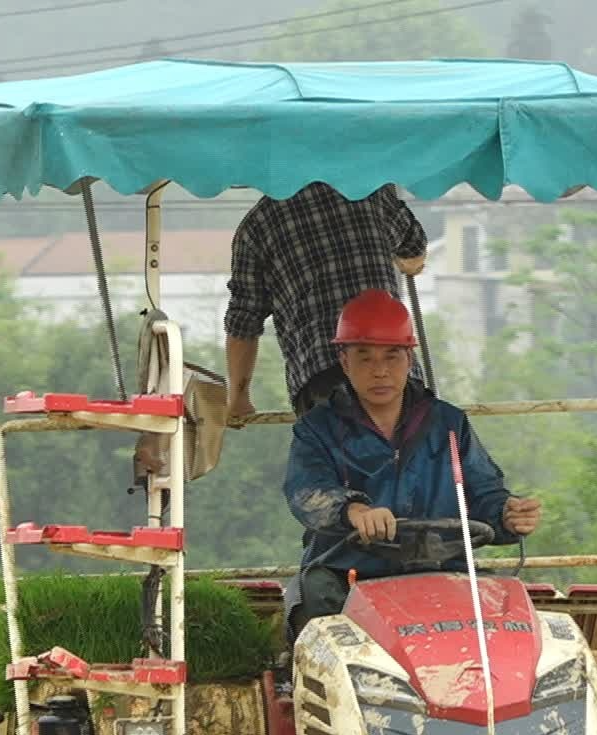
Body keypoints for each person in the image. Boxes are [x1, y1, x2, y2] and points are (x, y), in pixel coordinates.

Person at [282, 289, 541, 634]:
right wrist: (354, 511)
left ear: (409, 360)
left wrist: (507, 514)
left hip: (443, 568)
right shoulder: (316, 429)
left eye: (392, 357)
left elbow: (481, 493)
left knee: (505, 617)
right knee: (320, 617)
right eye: (365, 358)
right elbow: (307, 491)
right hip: (348, 572)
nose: (380, 372)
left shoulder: (449, 423)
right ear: (344, 362)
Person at [223, 182, 428, 421]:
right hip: (395, 371)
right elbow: (414, 249)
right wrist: (408, 263)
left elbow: (243, 322)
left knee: (340, 457)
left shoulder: (256, 227)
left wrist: (238, 398)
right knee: (412, 453)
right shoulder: (369, 191)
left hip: (321, 375)